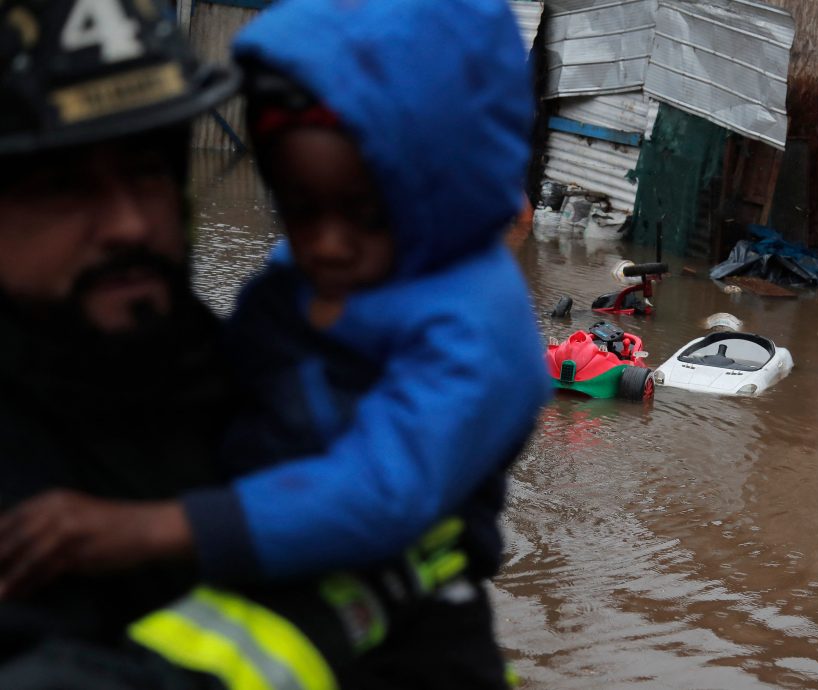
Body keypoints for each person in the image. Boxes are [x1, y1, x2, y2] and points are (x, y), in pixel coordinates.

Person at [2, 0, 550, 685]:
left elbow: (386, 492)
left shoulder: (215, 362)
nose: (129, 225)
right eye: (62, 187)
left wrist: (156, 529)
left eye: (148, 172)